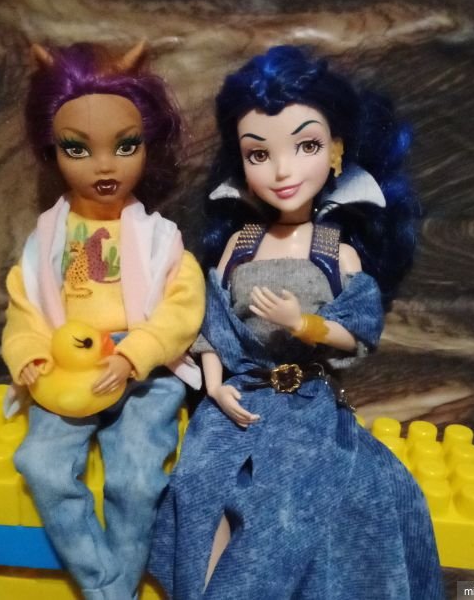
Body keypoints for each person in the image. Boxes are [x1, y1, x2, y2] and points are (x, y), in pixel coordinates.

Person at [149, 45, 444, 599]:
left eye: (305, 146)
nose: (283, 171)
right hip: (236, 400)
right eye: (259, 154)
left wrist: (303, 323)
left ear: (335, 151)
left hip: (305, 406)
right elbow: (210, 324)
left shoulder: (336, 252)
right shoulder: (240, 245)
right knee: (196, 486)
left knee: (286, 508)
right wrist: (214, 383)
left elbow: (357, 333)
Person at [1, 41, 205, 600]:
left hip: (145, 374)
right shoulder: (46, 240)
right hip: (66, 369)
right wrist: (30, 353)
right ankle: (106, 586)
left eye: (125, 145)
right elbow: (24, 307)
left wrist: (135, 353)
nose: (105, 164)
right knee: (40, 466)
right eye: (78, 148)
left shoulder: (161, 240)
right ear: (53, 150)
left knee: (136, 480)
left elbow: (183, 308)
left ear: (147, 144)